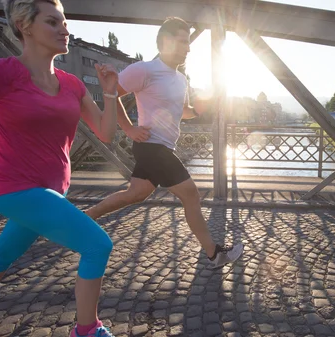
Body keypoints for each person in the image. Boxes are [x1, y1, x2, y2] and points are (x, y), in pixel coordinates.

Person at [0, 1, 119, 336]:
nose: (64, 29)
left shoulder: (72, 83)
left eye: (65, 22)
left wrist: (111, 94)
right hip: (13, 188)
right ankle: (87, 329)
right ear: (24, 25)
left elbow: (104, 131)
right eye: (53, 22)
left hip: (54, 189)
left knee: (2, 255)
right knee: (97, 245)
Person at [85, 17, 244, 269]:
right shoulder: (144, 69)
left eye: (189, 42)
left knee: (136, 194)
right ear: (165, 42)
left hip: (163, 147)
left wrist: (202, 107)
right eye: (183, 42)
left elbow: (183, 111)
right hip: (151, 146)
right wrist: (128, 128)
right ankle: (214, 254)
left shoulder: (181, 79)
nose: (188, 48)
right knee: (191, 195)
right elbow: (112, 92)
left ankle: (86, 217)